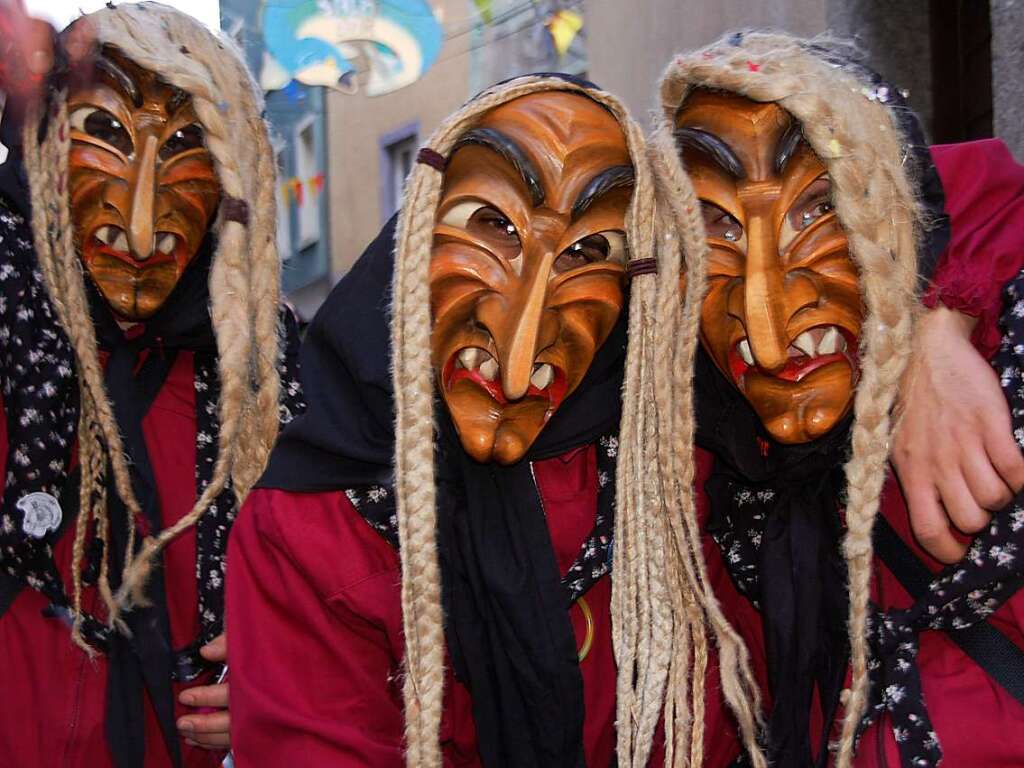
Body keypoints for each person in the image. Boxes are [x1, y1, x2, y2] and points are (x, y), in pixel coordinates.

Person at [226, 74, 700, 766]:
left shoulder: (684, 476)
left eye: (589, 252)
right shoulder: (313, 527)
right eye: (493, 224)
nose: (518, 357)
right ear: (418, 229)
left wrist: (924, 302)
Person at [648, 31, 1024, 767]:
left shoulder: (995, 370)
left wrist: (940, 312)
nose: (766, 315)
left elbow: (963, 179)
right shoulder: (696, 453)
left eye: (819, 208)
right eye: (715, 226)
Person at [0, 4, 303, 765]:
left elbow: (346, 596)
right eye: (102, 138)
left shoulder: (273, 378)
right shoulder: (10, 320)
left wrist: (285, 679)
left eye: (186, 150)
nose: (140, 231)